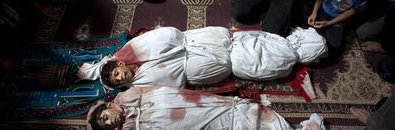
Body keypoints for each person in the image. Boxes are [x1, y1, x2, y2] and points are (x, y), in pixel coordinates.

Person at [78, 26, 327, 90]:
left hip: (199, 42)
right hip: (199, 66)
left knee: (249, 49)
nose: (121, 78)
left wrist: (93, 70)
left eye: (117, 73)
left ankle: (293, 50)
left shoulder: (133, 50)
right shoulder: (138, 84)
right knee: (254, 63)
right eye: (119, 81)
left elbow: (165, 37)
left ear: (120, 64)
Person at [87, 85, 327, 130]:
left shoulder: (132, 97)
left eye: (106, 117)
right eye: (107, 125)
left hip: (201, 108)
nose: (111, 122)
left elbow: (170, 93)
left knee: (248, 115)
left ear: (110, 106)